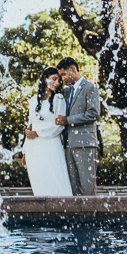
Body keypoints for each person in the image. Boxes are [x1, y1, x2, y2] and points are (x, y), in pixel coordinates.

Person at [21, 66, 73, 196]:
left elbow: (59, 126)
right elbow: (30, 125)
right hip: (33, 147)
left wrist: (38, 133)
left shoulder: (59, 99)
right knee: (38, 180)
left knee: (56, 179)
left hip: (50, 144)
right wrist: (24, 151)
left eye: (59, 80)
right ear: (45, 79)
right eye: (54, 79)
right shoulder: (33, 100)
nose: (57, 83)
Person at [54, 57, 99, 196]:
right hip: (68, 145)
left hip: (85, 143)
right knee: (73, 187)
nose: (62, 79)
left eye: (63, 74)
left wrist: (68, 120)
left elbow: (93, 114)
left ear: (73, 69)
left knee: (87, 186)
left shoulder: (90, 87)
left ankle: (91, 216)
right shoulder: (66, 92)